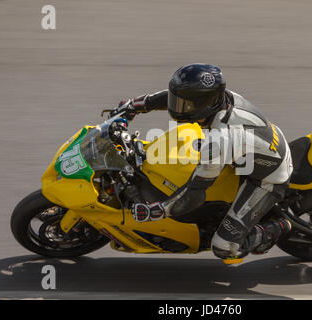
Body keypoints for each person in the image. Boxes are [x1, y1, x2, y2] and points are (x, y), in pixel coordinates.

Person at [121, 63, 293, 261]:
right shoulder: (223, 98)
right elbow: (173, 97)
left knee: (224, 248)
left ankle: (277, 226)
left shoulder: (220, 139)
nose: (177, 106)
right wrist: (137, 105)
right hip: (255, 151)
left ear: (204, 105)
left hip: (267, 179)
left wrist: (159, 210)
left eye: (184, 104)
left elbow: (194, 193)